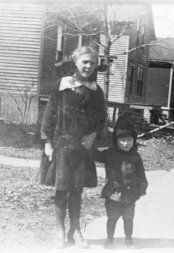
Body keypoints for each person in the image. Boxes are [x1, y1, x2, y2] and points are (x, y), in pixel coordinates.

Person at [40, 46, 106, 249]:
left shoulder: (96, 91)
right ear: (76, 63)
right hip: (61, 145)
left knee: (76, 191)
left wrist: (94, 135)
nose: (88, 66)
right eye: (84, 62)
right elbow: (49, 114)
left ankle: (75, 230)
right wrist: (48, 142)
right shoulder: (63, 85)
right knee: (61, 190)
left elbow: (102, 119)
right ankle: (60, 230)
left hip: (82, 148)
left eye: (92, 63)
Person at [92, 115, 148, 249]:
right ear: (116, 141)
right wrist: (90, 143)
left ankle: (128, 239)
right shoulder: (109, 154)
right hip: (113, 194)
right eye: (122, 140)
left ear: (134, 141)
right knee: (112, 218)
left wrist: (141, 189)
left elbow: (141, 175)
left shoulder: (135, 157)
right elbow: (96, 155)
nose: (125, 143)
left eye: (129, 140)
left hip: (130, 194)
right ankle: (109, 240)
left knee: (128, 219)